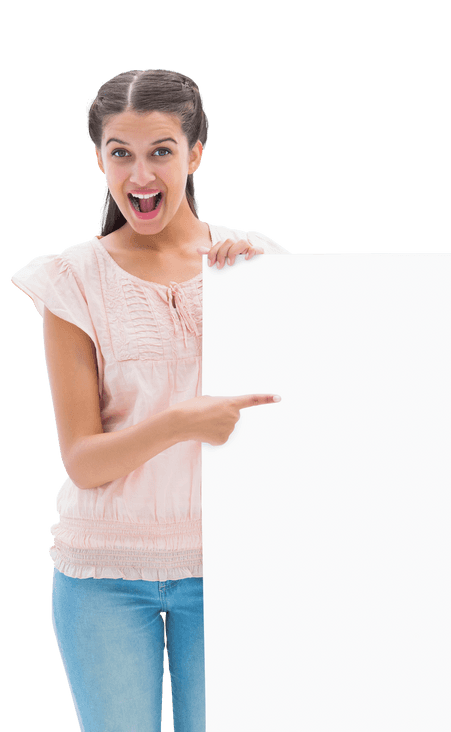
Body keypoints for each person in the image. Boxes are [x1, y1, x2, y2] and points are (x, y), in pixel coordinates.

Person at [10, 68, 289, 732]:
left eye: (161, 150)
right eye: (120, 153)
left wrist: (262, 290)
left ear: (195, 153)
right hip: (104, 578)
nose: (140, 175)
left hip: (232, 567)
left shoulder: (255, 265)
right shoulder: (72, 280)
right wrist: (180, 422)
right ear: (99, 159)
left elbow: (294, 414)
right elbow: (84, 460)